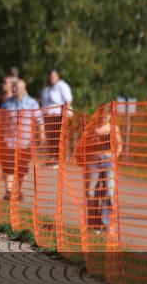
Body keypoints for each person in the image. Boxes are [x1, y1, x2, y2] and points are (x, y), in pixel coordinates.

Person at [80, 104, 121, 232]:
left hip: (108, 161)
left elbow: (119, 146)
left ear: (110, 116)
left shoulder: (114, 128)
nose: (104, 118)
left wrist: (115, 156)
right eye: (102, 115)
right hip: (93, 161)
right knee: (91, 193)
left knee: (109, 193)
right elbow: (84, 144)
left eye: (107, 115)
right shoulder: (92, 128)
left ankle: (107, 224)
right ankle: (93, 224)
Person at [0, 79, 41, 201]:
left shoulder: (32, 103)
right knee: (9, 166)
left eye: (16, 87)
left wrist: (42, 135)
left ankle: (20, 190)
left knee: (22, 167)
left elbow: (39, 120)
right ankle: (9, 191)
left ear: (23, 89)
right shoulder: (6, 104)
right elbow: (0, 121)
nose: (13, 89)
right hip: (9, 140)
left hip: (25, 142)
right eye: (13, 87)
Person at [39, 69, 73, 167]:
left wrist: (64, 114)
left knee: (59, 138)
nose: (52, 78)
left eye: (54, 76)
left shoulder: (62, 86)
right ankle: (52, 158)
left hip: (59, 116)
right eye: (50, 76)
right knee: (50, 138)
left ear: (58, 76)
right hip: (48, 116)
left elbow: (68, 101)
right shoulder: (46, 89)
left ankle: (59, 160)